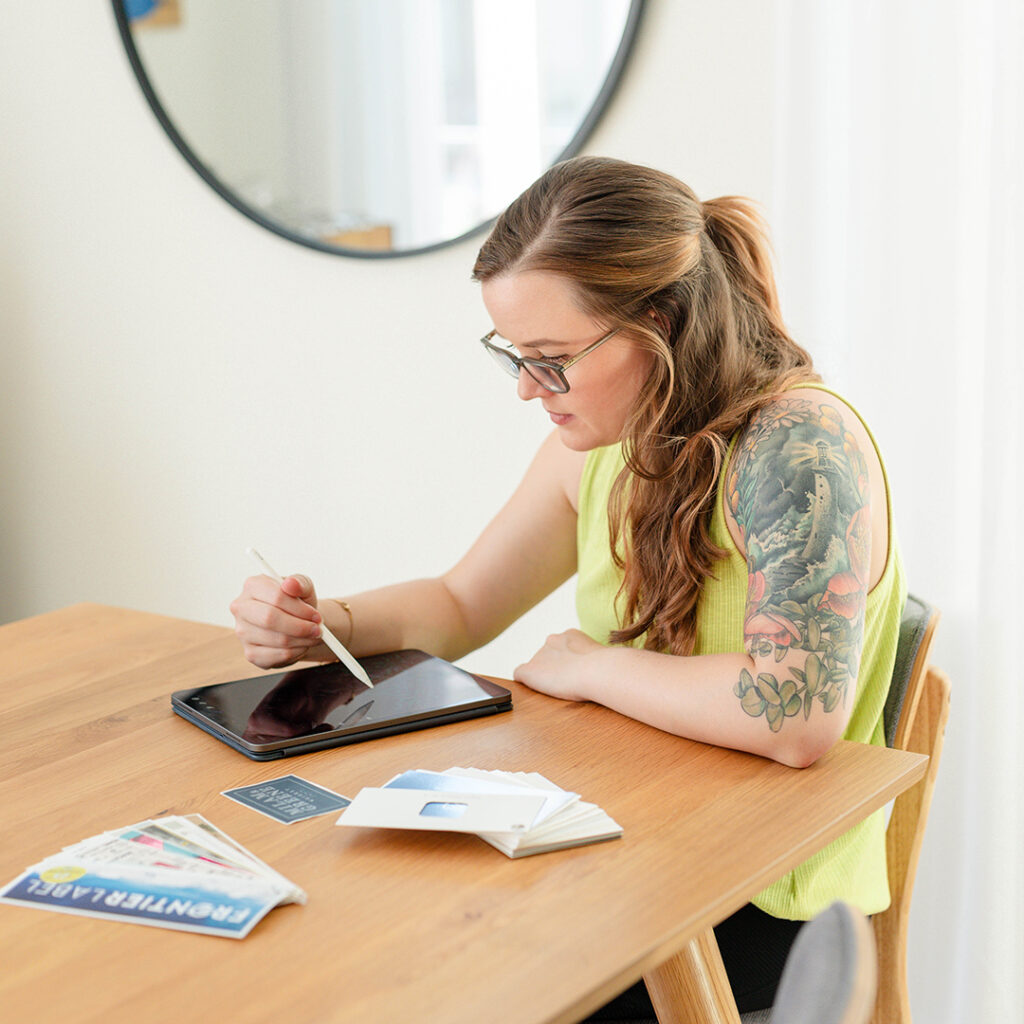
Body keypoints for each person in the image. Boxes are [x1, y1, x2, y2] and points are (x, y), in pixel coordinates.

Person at [229, 156, 905, 1016]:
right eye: (513, 355)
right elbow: (462, 604)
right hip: (639, 836)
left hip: (765, 888)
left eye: (551, 358)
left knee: (454, 983)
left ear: (660, 322)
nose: (525, 388)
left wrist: (592, 667)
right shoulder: (604, 440)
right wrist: (329, 622)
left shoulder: (799, 447)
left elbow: (794, 714)